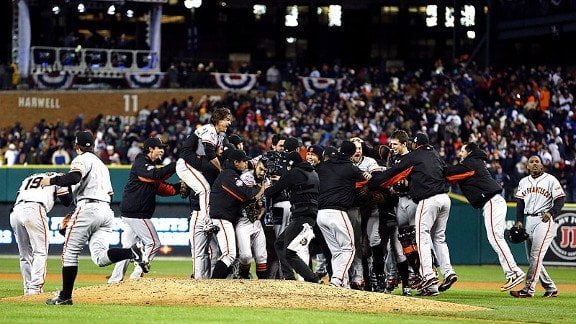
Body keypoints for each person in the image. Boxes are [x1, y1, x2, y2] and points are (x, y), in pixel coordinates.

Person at [40, 131, 149, 305]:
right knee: (99, 258)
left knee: (69, 253)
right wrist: (65, 190)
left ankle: (65, 296)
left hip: (88, 207)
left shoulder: (82, 159)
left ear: (77, 146)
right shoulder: (102, 165)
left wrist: (53, 180)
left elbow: (74, 177)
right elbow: (70, 199)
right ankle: (133, 251)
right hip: (106, 211)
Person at [369, 132, 456, 296]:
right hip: (442, 198)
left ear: (410, 144)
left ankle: (428, 274)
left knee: (421, 237)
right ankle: (443, 274)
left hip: (423, 200)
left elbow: (393, 174)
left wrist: (374, 182)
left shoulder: (413, 156)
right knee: (431, 237)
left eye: (395, 144)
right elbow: (445, 172)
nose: (393, 147)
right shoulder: (435, 155)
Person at [445, 142, 525, 292]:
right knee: (496, 238)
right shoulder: (475, 161)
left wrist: (437, 168)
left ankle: (514, 272)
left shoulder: (471, 162)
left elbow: (451, 172)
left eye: (462, 151)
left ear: (468, 152)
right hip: (492, 202)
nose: (460, 153)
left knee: (495, 237)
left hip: (492, 201)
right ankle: (511, 273)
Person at [108, 137, 180, 283]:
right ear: (150, 149)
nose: (162, 150)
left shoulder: (150, 167)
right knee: (153, 243)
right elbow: (155, 176)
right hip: (136, 213)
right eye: (159, 147)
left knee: (128, 249)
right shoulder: (141, 162)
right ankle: (136, 276)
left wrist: (179, 187)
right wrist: (175, 166)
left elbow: (163, 188)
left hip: (131, 213)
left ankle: (114, 281)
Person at [176, 107, 232, 279]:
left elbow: (221, 151)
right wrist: (222, 169)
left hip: (194, 165)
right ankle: (207, 220)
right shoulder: (208, 130)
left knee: (205, 188)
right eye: (226, 119)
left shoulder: (220, 135)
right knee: (205, 189)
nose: (229, 123)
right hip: (186, 164)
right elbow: (208, 153)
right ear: (218, 119)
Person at [316, 140, 370, 287]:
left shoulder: (323, 166)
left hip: (320, 215)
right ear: (353, 153)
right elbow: (367, 181)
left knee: (337, 251)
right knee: (349, 248)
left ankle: (343, 283)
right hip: (337, 212)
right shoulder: (351, 168)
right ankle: (337, 279)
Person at [510, 155, 565, 298]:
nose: (534, 164)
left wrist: (551, 212)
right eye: (531, 162)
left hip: (544, 220)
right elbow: (520, 203)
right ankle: (551, 288)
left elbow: (560, 199)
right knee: (533, 258)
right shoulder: (523, 182)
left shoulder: (550, 180)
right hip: (529, 220)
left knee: (535, 255)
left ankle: (528, 289)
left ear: (542, 166)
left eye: (537, 162)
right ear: (527, 166)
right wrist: (519, 220)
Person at [10, 172, 72, 295]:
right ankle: (35, 289)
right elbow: (66, 201)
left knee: (24, 255)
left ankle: (28, 288)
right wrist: (68, 185)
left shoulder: (30, 177)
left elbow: (18, 194)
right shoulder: (58, 177)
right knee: (40, 251)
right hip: (34, 208)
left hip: (16, 210)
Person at [210, 150, 268, 278]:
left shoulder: (231, 174)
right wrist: (263, 187)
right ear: (236, 162)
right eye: (243, 161)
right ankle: (213, 283)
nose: (246, 163)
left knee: (231, 254)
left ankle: (219, 281)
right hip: (221, 218)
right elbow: (247, 195)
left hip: (226, 219)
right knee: (229, 254)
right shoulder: (229, 175)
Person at [265, 151, 321, 283]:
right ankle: (289, 277)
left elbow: (272, 192)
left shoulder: (295, 172)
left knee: (289, 252)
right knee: (279, 244)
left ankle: (313, 279)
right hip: (308, 215)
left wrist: (266, 188)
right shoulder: (312, 173)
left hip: (302, 216)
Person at [235, 159, 269, 279]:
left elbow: (264, 202)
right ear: (256, 166)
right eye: (260, 169)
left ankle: (262, 286)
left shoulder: (266, 179)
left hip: (256, 222)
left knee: (261, 256)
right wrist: (264, 188)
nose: (262, 172)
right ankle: (242, 278)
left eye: (265, 171)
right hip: (243, 221)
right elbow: (251, 196)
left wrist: (262, 210)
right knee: (245, 256)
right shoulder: (247, 176)